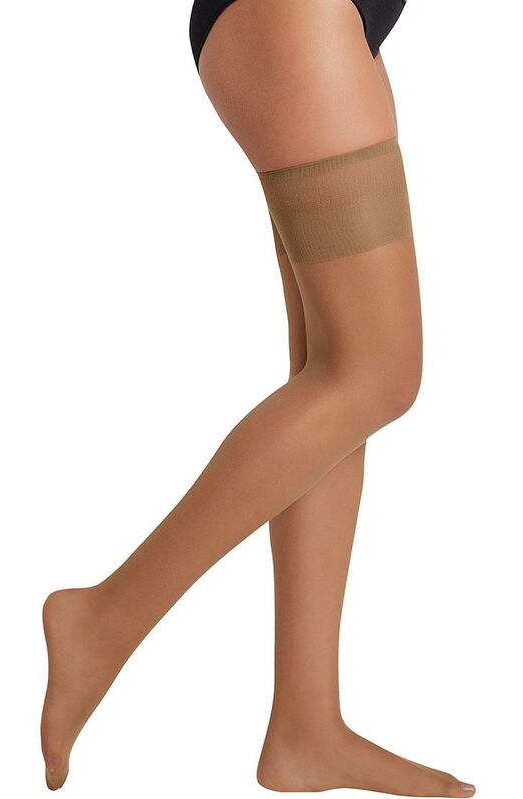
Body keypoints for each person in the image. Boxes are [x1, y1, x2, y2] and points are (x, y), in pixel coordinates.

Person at [40, 1, 476, 795]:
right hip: (295, 15)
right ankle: (101, 618)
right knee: (376, 374)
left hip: (327, 26)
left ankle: (305, 728)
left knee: (333, 372)